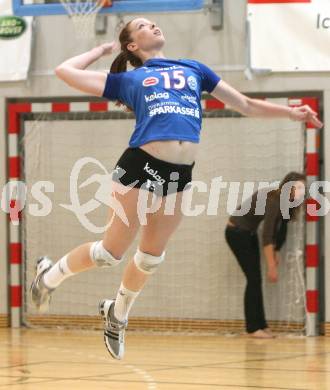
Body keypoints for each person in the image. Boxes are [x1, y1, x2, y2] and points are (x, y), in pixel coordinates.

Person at [30, 17, 322, 359]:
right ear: (132, 46)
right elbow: (65, 71)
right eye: (142, 25)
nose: (152, 26)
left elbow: (245, 104)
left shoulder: (194, 69)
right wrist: (100, 49)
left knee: (151, 258)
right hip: (141, 165)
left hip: (179, 174)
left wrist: (292, 113)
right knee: (110, 253)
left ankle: (117, 314)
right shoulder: (129, 79)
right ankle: (50, 275)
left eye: (153, 23)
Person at [225, 172, 306, 338]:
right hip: (236, 233)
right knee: (254, 279)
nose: (301, 191)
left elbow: (282, 229)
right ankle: (253, 328)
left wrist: (277, 251)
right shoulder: (274, 201)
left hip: (248, 233)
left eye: (303, 188)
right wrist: (271, 266)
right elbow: (267, 236)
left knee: (256, 279)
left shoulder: (286, 202)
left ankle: (261, 325)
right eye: (298, 187)